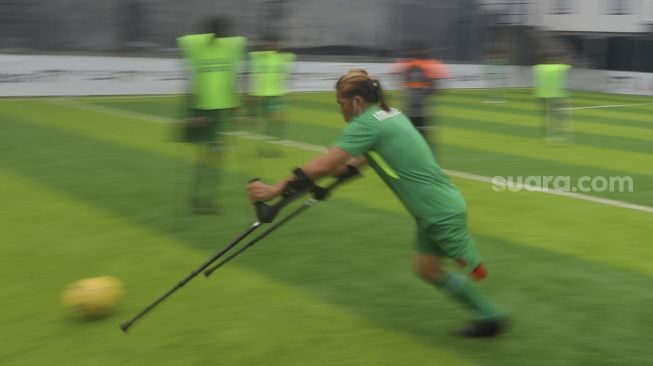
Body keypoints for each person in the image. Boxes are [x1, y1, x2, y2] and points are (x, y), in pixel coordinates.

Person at [247, 69, 507, 338]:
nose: (341, 111)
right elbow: (359, 160)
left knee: (471, 267)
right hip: (435, 206)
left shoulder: (367, 123)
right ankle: (489, 316)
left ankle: (490, 314)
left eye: (341, 104)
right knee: (427, 269)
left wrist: (273, 190)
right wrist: (339, 173)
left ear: (357, 102)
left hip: (437, 212)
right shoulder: (389, 114)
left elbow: (324, 165)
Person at [177, 17, 247, 214]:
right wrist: (194, 112)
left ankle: (203, 200)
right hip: (204, 112)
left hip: (218, 112)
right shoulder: (199, 48)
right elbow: (195, 83)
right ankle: (199, 200)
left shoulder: (228, 50)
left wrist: (235, 111)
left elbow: (229, 81)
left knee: (214, 158)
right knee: (209, 159)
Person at [391, 42, 448, 151]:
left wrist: (423, 89)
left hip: (418, 109)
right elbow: (438, 88)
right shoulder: (410, 66)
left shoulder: (409, 66)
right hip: (416, 109)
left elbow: (436, 87)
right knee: (417, 137)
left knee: (416, 136)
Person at [247, 35, 296, 157]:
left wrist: (289, 93)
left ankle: (270, 148)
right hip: (264, 95)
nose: (271, 46)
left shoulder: (284, 58)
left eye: (273, 44)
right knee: (272, 122)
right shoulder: (258, 58)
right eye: (268, 44)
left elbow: (288, 71)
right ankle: (266, 148)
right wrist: (251, 94)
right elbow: (253, 74)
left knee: (278, 123)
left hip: (278, 95)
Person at [532, 59, 573, 142]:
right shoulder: (559, 67)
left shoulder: (539, 67)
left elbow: (534, 68)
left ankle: (547, 130)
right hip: (555, 94)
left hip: (541, 94)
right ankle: (557, 127)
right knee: (556, 112)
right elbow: (569, 66)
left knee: (545, 113)